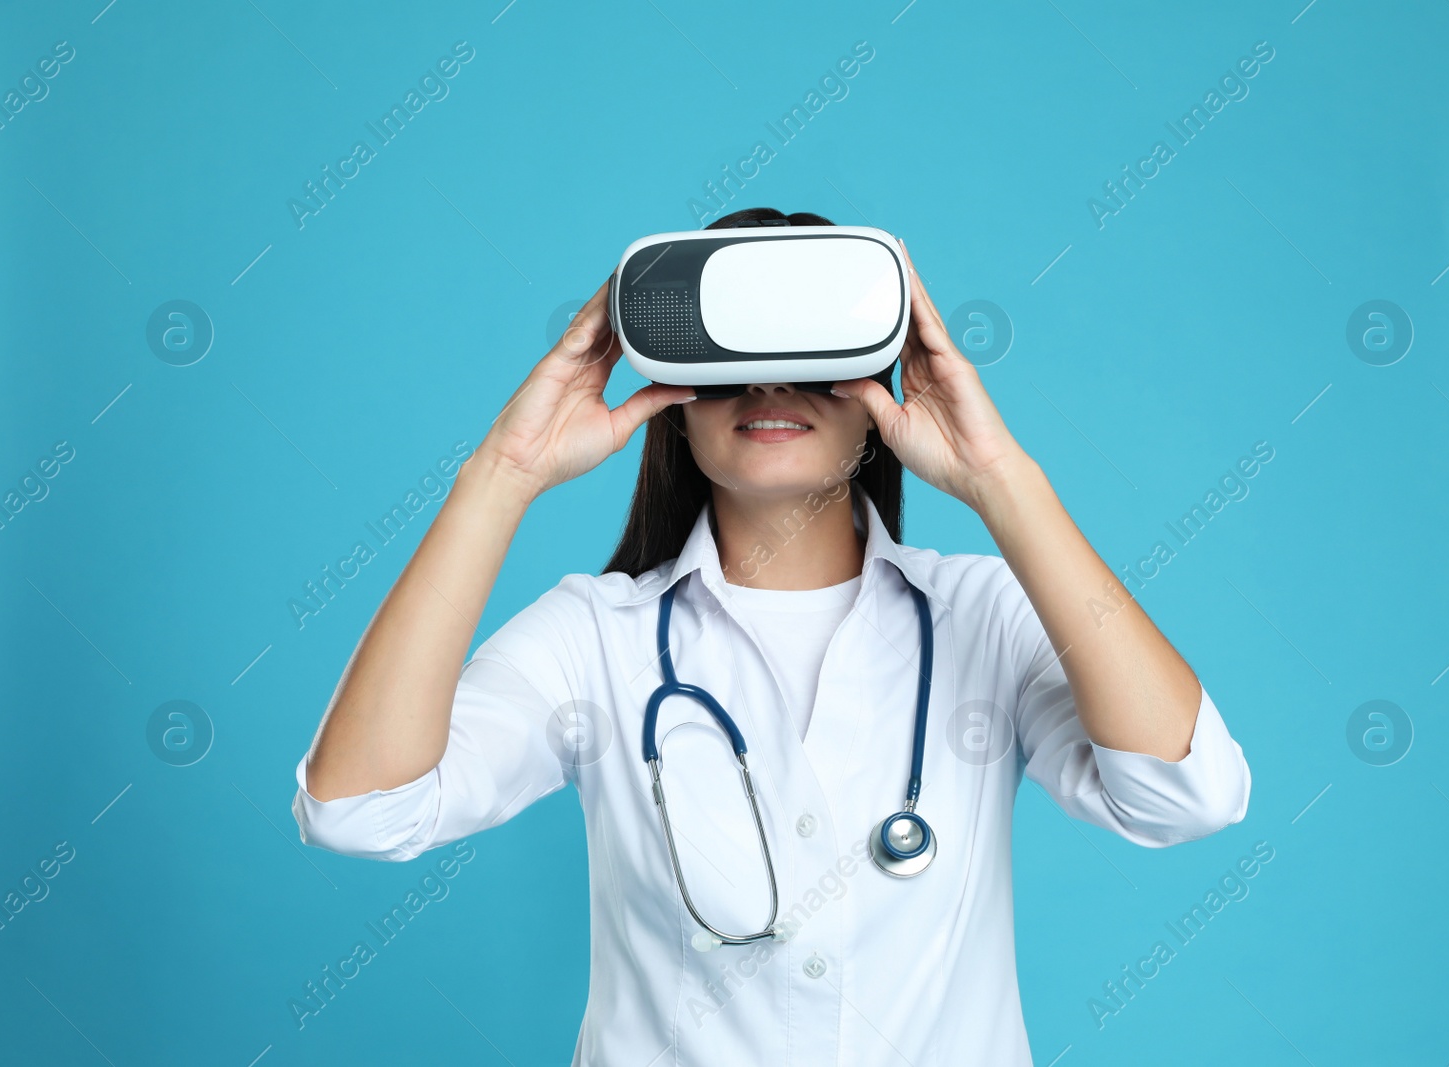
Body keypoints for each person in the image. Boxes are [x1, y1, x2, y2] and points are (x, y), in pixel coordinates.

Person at [291, 207, 1251, 1065]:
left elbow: (1185, 792)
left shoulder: (984, 614)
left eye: (814, 348)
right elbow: (361, 810)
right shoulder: (595, 638)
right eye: (732, 352)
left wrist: (1002, 479)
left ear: (880, 385)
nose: (770, 381)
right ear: (676, 394)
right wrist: (501, 472)